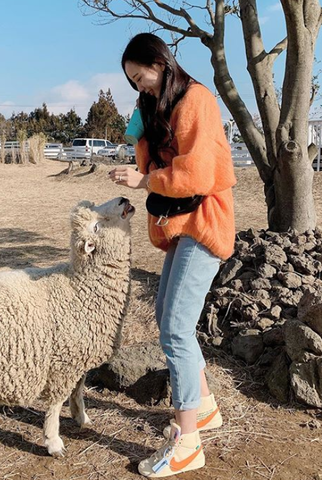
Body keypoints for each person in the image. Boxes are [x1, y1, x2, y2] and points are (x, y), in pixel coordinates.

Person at [109, 33, 236, 478]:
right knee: (169, 317)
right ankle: (203, 409)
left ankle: (187, 445)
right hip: (182, 227)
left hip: (203, 223)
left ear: (160, 63)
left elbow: (198, 172)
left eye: (140, 76)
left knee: (176, 328)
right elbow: (155, 169)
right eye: (132, 81)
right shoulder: (159, 105)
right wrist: (140, 133)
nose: (138, 86)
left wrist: (143, 181)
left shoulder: (196, 99)